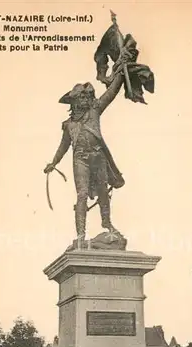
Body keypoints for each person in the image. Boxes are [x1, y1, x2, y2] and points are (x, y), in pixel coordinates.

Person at [44, 49, 133, 243]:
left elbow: (111, 92)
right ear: (74, 102)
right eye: (80, 98)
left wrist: (121, 71)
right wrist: (53, 163)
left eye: (86, 97)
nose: (84, 100)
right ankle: (81, 234)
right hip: (80, 159)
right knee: (82, 194)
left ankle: (107, 224)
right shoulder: (68, 125)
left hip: (98, 157)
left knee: (102, 191)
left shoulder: (95, 111)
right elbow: (63, 147)